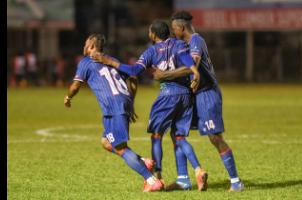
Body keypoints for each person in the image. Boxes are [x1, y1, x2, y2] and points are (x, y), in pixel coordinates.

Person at [91, 20, 209, 191]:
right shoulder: (179, 44)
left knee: (156, 135)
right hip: (186, 95)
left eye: (149, 32)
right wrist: (196, 73)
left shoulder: (151, 52)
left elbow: (133, 71)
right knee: (180, 137)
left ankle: (157, 177)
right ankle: (198, 170)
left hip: (167, 95)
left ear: (153, 34)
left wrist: (109, 61)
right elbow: (189, 63)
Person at [152, 11, 244, 192]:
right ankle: (183, 180)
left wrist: (165, 75)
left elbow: (191, 66)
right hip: (191, 96)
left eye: (173, 29)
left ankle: (236, 182)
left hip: (207, 94)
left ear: (181, 27)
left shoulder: (196, 41)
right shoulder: (182, 44)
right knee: (176, 132)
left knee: (215, 137)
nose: (172, 33)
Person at [64, 34, 163, 192]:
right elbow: (133, 77)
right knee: (106, 142)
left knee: (120, 148)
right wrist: (130, 102)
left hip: (112, 107)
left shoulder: (86, 62)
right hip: (121, 103)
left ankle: (151, 181)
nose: (83, 46)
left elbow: (75, 86)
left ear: (91, 46)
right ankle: (143, 161)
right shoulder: (111, 60)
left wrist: (68, 97)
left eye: (85, 44)